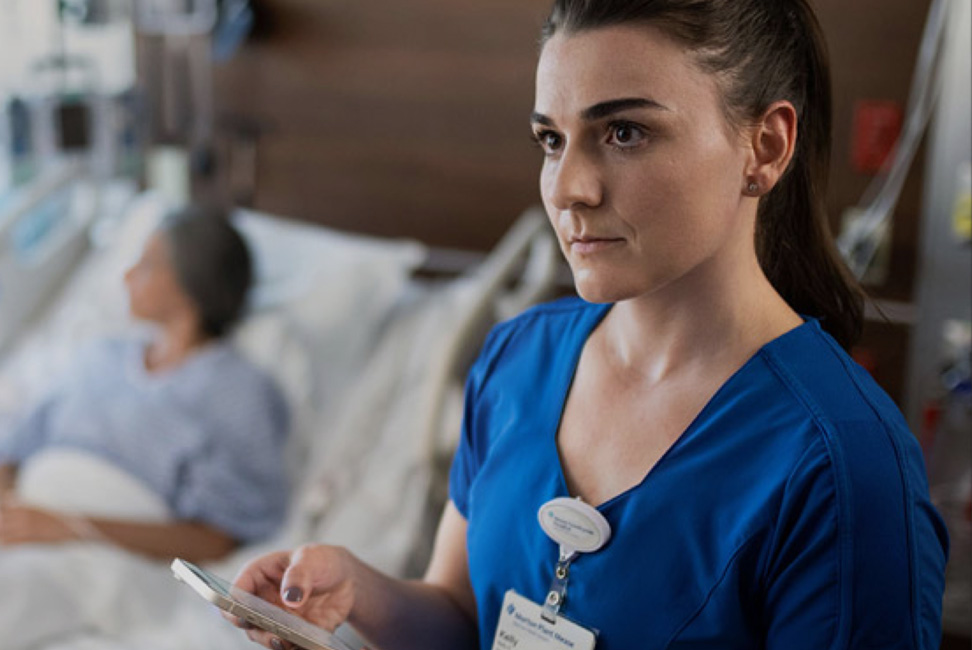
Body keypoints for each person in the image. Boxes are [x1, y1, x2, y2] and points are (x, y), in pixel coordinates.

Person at [227, 1, 950, 648]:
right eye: (551, 140)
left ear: (764, 147)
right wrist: (360, 592)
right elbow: (459, 614)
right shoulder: (517, 359)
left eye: (625, 132)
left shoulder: (842, 471)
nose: (569, 188)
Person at [0, 205, 289, 563]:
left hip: (102, 558)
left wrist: (70, 528)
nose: (127, 276)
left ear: (190, 284)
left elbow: (216, 538)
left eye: (147, 265)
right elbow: (8, 452)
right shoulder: (100, 357)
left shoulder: (237, 390)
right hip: (18, 527)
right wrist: (6, 504)